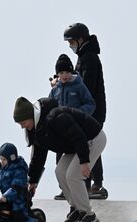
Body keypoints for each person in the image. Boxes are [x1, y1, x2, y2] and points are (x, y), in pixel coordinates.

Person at [13, 96, 107, 222]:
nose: (22, 126)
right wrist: (33, 180)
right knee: (60, 172)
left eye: (23, 122)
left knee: (73, 175)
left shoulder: (56, 117)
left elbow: (78, 136)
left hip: (92, 139)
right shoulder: (36, 130)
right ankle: (77, 207)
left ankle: (88, 214)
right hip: (76, 146)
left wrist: (84, 161)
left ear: (31, 115)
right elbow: (38, 157)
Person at [63, 23, 108, 198]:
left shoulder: (89, 57)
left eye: (71, 41)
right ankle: (93, 184)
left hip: (92, 111)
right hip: (87, 110)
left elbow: (86, 86)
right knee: (89, 145)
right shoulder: (84, 56)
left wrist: (69, 82)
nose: (70, 46)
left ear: (80, 39)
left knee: (91, 146)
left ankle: (94, 186)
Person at [49, 53, 96, 200]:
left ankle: (85, 188)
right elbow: (49, 107)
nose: (64, 75)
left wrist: (79, 114)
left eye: (67, 72)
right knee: (60, 163)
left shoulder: (79, 86)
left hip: (77, 130)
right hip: (60, 132)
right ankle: (64, 189)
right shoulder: (54, 90)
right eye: (61, 73)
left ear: (71, 72)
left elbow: (91, 104)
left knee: (82, 158)